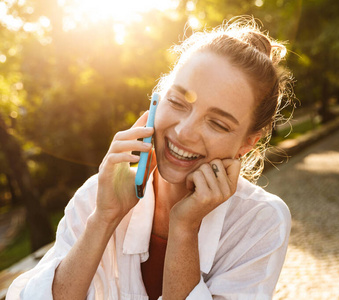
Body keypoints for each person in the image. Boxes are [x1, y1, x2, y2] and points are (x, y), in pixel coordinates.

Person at [7, 17, 293, 300]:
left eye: (218, 124)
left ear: (247, 143)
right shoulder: (97, 196)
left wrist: (185, 227)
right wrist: (103, 219)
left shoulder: (260, 221)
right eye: (177, 103)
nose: (184, 132)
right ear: (157, 100)